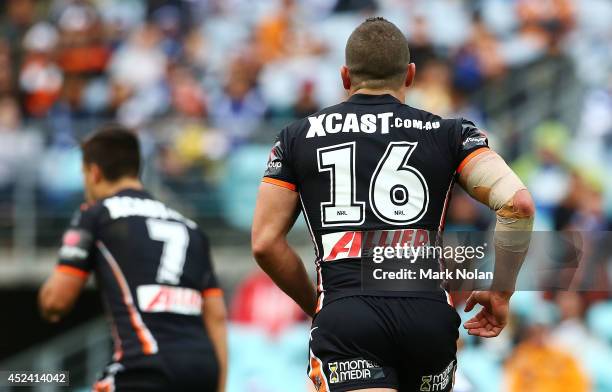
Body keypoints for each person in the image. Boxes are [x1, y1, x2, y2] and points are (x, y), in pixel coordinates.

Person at [252, 17, 534, 392]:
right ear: (410, 75)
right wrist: (501, 292)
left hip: (349, 312)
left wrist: (316, 302)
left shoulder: (297, 137)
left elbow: (265, 242)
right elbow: (518, 204)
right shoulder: (450, 133)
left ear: (345, 77)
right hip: (427, 317)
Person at [39, 127, 227, 392]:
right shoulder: (190, 228)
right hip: (202, 371)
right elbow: (216, 317)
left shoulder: (96, 215)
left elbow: (55, 303)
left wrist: (73, 242)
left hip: (144, 368)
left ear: (94, 173)